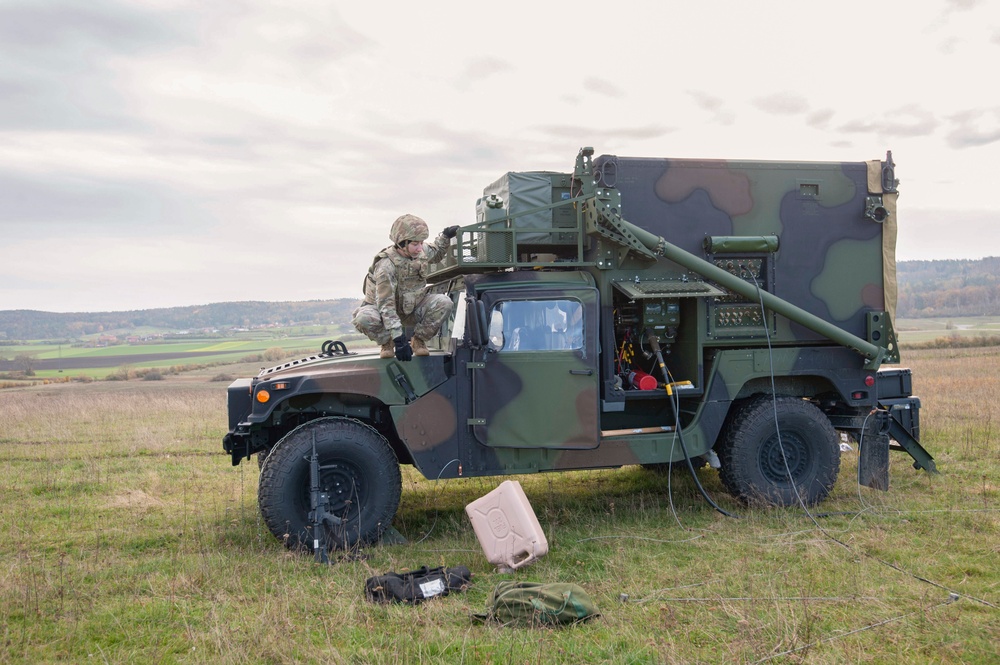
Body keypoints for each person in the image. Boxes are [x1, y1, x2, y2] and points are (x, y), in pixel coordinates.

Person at [352, 214, 459, 360]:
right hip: (384, 312)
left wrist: (446, 236)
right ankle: (386, 342)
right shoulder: (386, 266)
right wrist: (399, 339)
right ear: (401, 243)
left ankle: (419, 340)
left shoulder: (419, 251)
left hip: (412, 307)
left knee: (444, 303)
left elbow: (436, 252)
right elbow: (386, 305)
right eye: (415, 244)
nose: (419, 248)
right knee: (363, 318)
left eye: (421, 243)